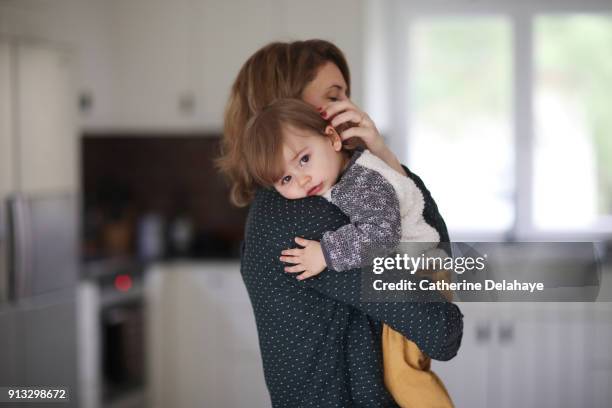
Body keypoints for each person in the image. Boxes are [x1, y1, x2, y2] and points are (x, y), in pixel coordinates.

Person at [218, 39, 463, 408]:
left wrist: (381, 154)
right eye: (333, 97)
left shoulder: (282, 205)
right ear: (288, 109)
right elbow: (443, 330)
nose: (348, 110)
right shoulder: (306, 214)